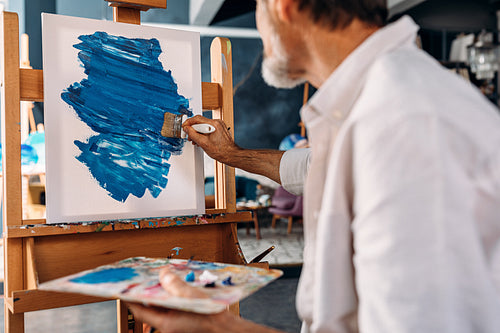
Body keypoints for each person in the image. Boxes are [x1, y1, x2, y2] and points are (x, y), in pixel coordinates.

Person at [129, 0, 500, 332]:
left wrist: (218, 329)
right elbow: (312, 168)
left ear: (283, 6)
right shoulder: (374, 103)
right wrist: (231, 155)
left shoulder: (405, 124)